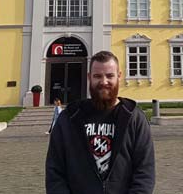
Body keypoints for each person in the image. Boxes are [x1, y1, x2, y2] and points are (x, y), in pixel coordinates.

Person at [46, 50, 155, 194]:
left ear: (119, 77)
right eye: (97, 76)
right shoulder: (69, 118)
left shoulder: (134, 118)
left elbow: (144, 173)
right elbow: (55, 172)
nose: (104, 82)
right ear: (89, 77)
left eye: (110, 76)